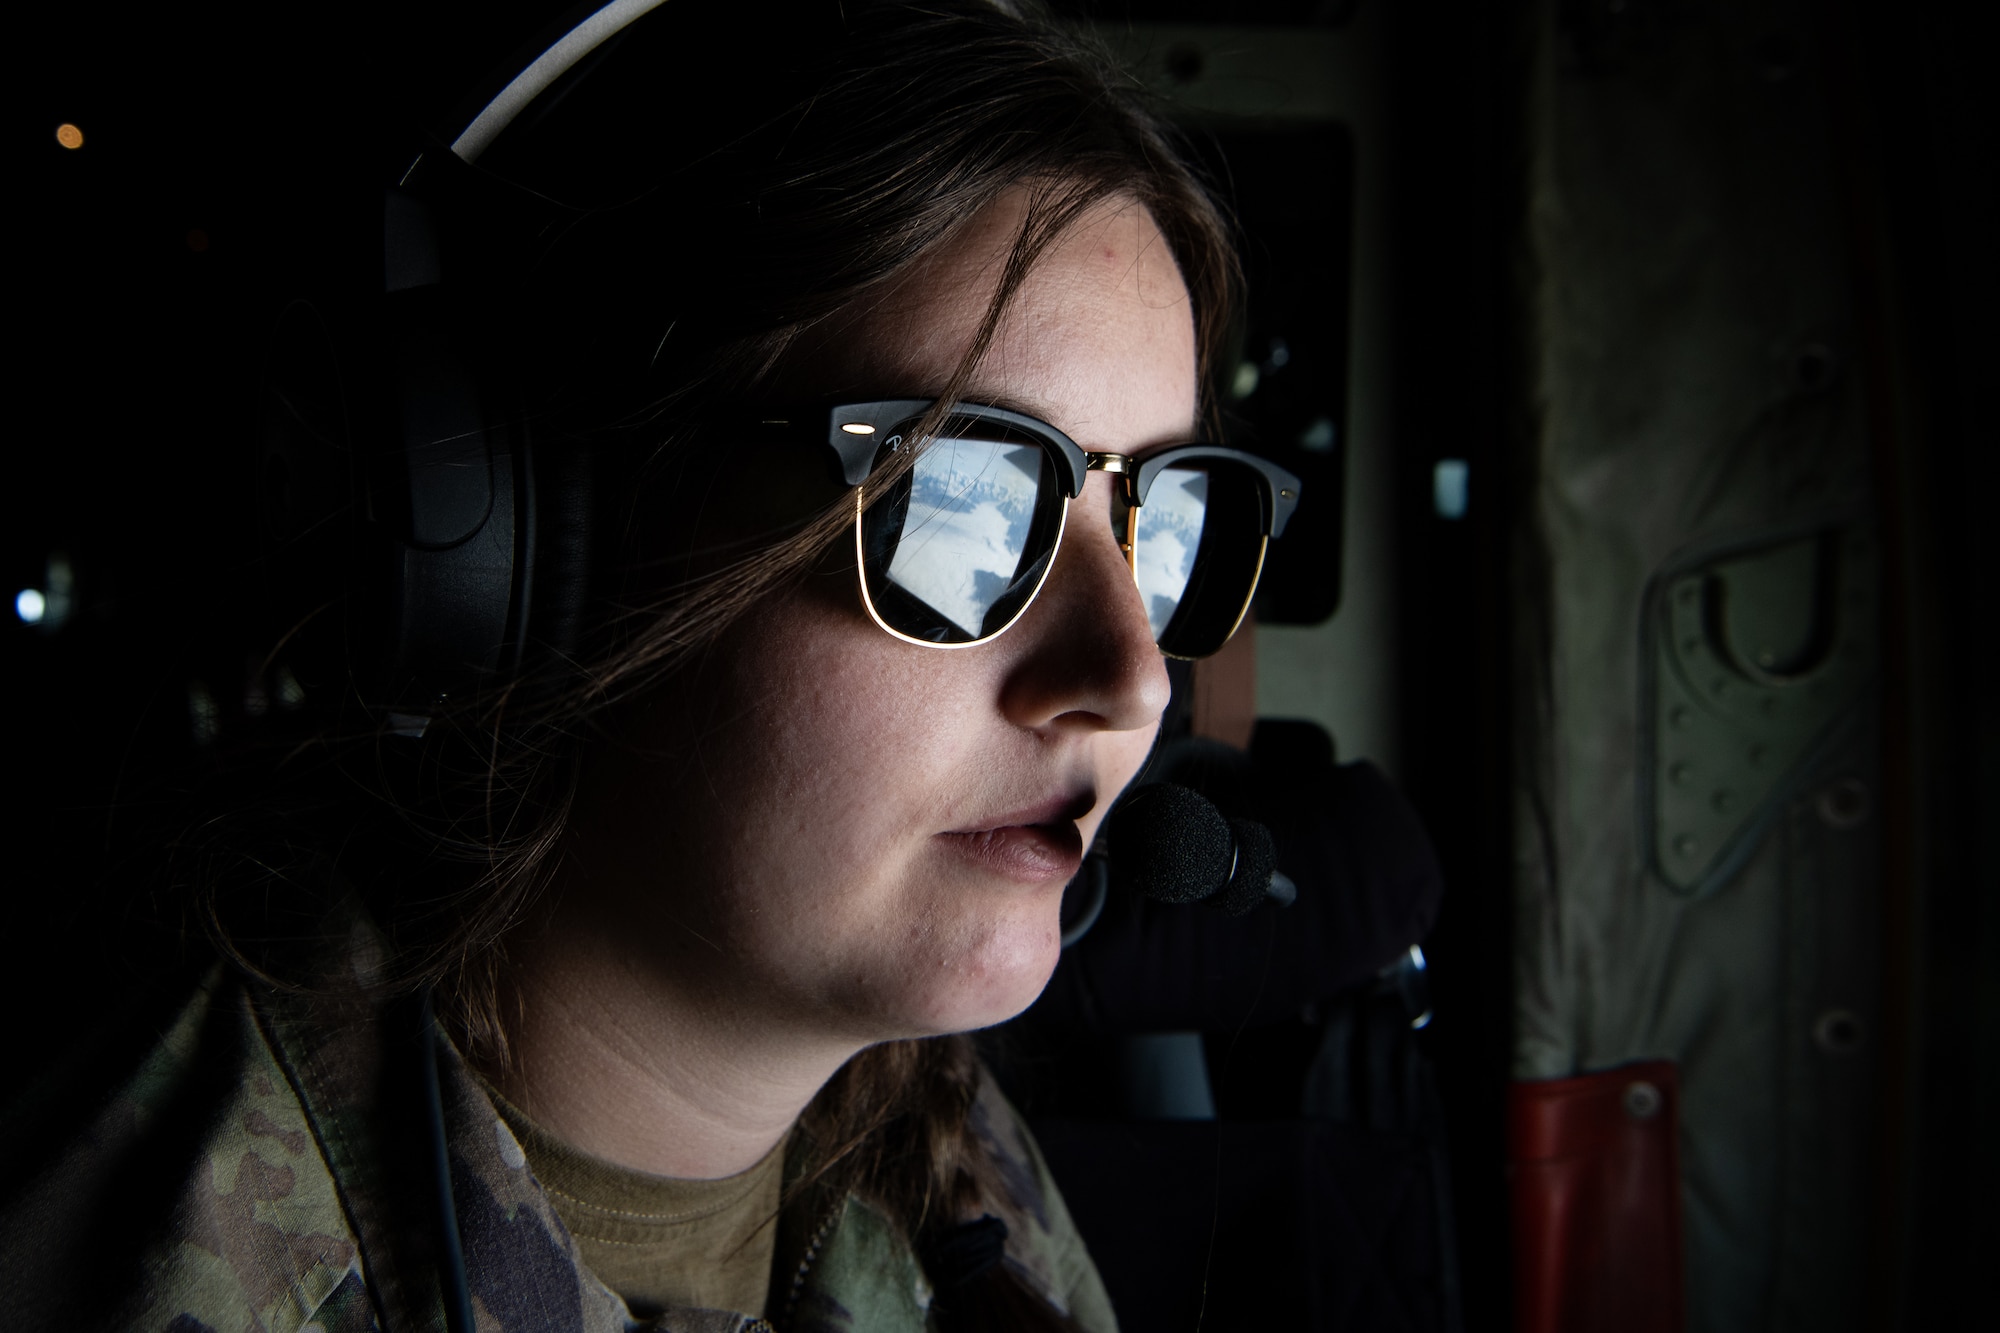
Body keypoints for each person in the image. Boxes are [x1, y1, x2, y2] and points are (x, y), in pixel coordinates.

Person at [0, 2, 1297, 1328]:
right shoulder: (128, 1266)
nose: (1134, 677)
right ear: (521, 545)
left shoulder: (946, 1165)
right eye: (957, 498)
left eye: (1164, 518)